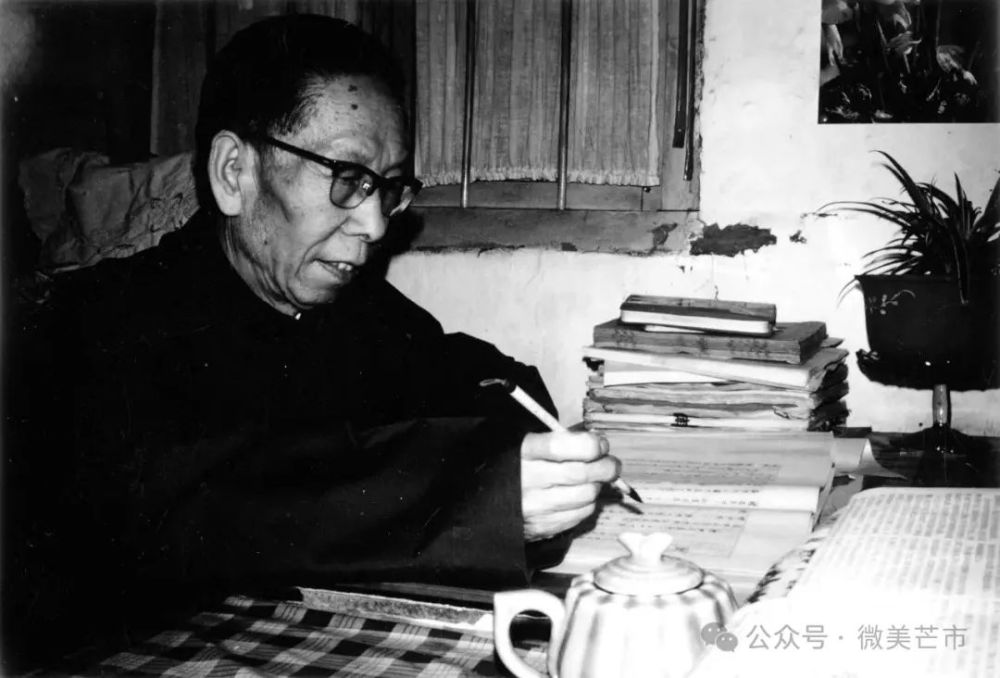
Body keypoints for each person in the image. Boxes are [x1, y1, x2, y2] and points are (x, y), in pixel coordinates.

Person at [1, 13, 619, 670]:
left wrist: (535, 469)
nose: (375, 223)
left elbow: (485, 381)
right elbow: (226, 509)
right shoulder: (94, 329)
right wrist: (477, 497)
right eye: (347, 177)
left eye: (389, 187)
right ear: (234, 172)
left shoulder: (351, 307)